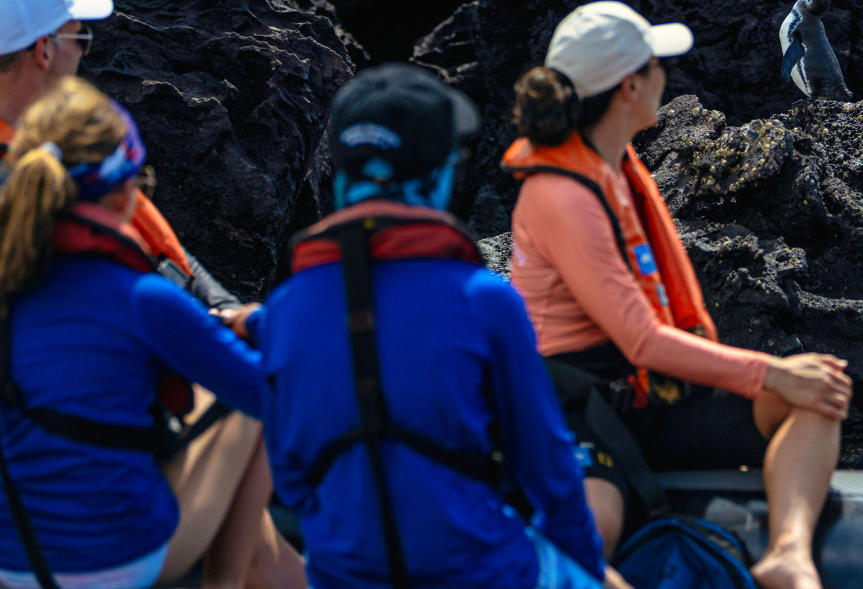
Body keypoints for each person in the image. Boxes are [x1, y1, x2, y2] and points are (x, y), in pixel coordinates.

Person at [504, 1, 853, 589]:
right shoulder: (560, 195)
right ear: (630, 86)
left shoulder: (615, 166)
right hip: (575, 407)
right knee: (594, 530)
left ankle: (789, 556)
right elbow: (641, 339)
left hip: (650, 396)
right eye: (657, 65)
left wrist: (786, 381)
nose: (666, 76)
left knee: (818, 392)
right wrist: (771, 372)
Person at [259, 63, 607, 589]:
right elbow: (550, 472)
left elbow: (291, 478)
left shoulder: (284, 308)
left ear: (341, 174)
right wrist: (587, 570)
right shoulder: (485, 300)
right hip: (481, 574)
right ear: (439, 176)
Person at [0, 77, 303, 589]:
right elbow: (278, 396)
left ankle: (268, 568)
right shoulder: (144, 298)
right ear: (123, 192)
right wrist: (261, 323)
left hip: (4, 554)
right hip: (116, 560)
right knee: (248, 394)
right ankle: (233, 578)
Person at [0, 0, 242, 316]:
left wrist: (226, 310)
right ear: (44, 50)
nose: (84, 52)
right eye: (81, 38)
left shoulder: (64, 134)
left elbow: (162, 252)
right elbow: (74, 317)